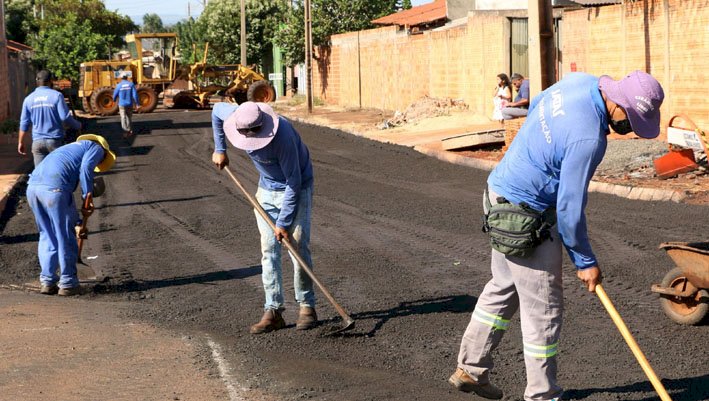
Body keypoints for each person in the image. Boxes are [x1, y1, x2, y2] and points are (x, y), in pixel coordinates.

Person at [449, 71, 664, 401]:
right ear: (618, 104)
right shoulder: (588, 138)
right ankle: (542, 395)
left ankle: (471, 368)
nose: (632, 127)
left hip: (498, 191)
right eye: (632, 119)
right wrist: (585, 261)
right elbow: (569, 208)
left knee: (503, 286)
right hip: (524, 216)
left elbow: (537, 104)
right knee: (544, 310)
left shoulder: (579, 82)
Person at [211, 101, 317, 334]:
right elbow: (216, 111)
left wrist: (283, 223)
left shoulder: (283, 137)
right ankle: (274, 310)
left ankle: (307, 306)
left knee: (296, 247)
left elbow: (294, 182)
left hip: (296, 187)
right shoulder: (234, 116)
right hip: (266, 190)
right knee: (269, 249)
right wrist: (220, 148)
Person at [26, 134, 116, 296]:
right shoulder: (96, 148)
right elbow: (86, 169)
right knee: (64, 235)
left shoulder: (69, 149)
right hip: (54, 189)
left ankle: (47, 281)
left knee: (47, 234)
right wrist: (87, 196)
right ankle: (68, 283)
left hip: (33, 188)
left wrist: (77, 222)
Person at [18, 70, 82, 167]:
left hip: (37, 142)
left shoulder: (28, 99)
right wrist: (77, 125)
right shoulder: (57, 96)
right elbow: (65, 117)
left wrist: (20, 142)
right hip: (54, 141)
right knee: (58, 172)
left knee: (40, 174)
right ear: (50, 81)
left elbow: (24, 123)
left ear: (37, 81)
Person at [113, 72, 139, 138]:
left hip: (121, 104)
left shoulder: (119, 85)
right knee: (129, 117)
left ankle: (125, 131)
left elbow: (115, 95)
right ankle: (129, 130)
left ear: (121, 78)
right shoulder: (131, 84)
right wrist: (137, 104)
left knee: (123, 117)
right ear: (127, 77)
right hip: (129, 104)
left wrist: (114, 100)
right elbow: (135, 95)